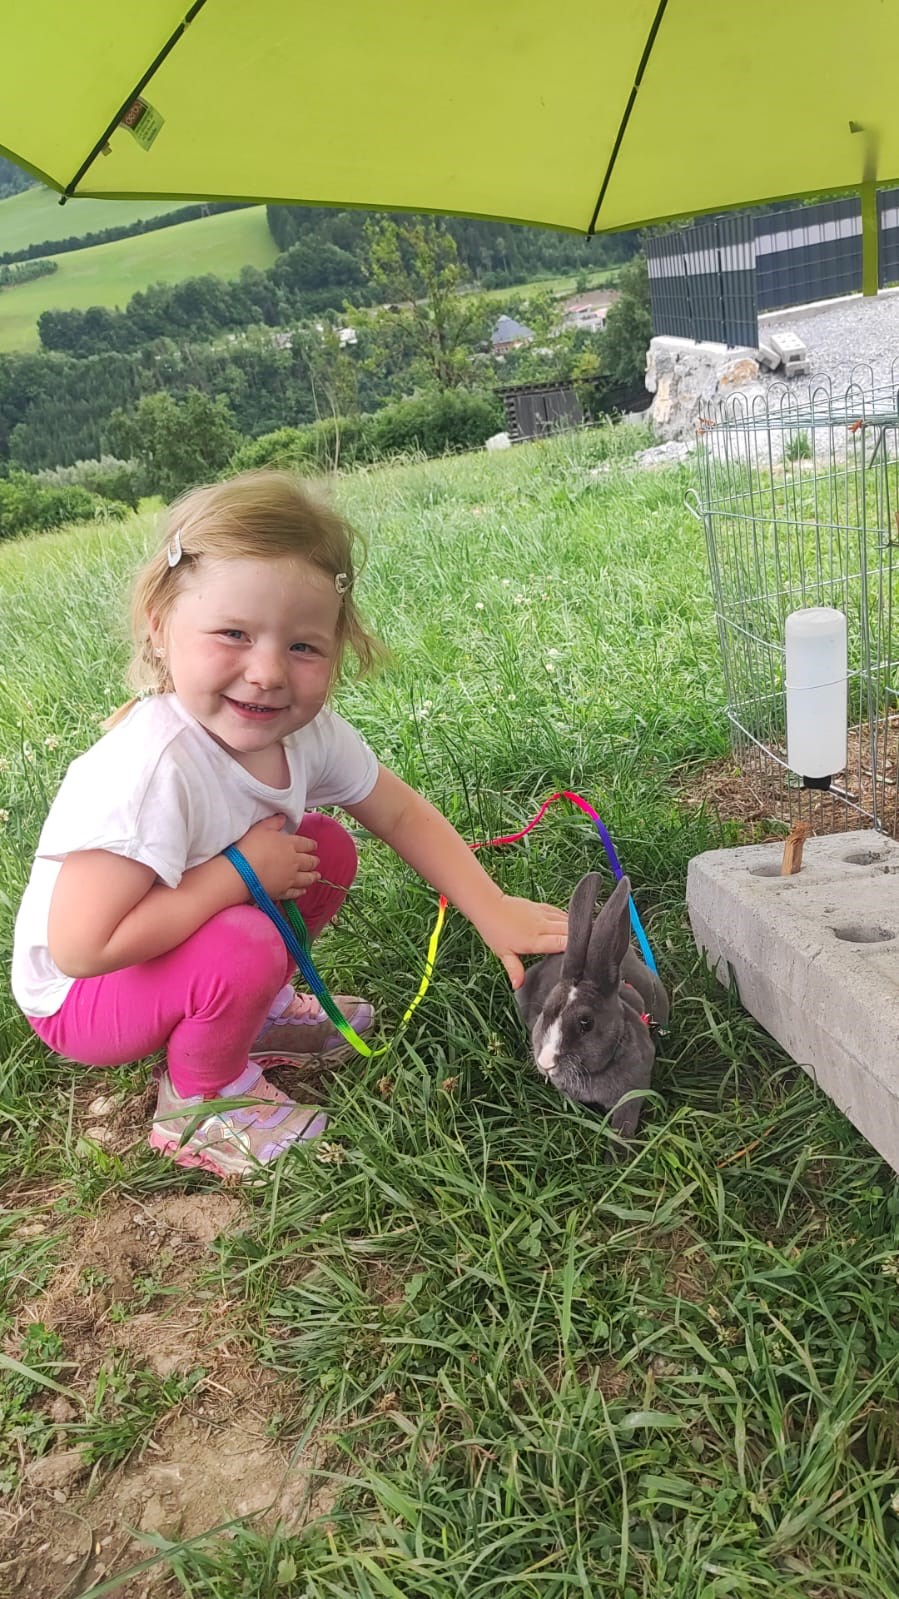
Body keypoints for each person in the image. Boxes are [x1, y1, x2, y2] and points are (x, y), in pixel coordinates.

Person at [12, 471, 568, 1180]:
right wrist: (238, 873)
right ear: (159, 625)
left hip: (168, 941)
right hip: (81, 998)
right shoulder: (150, 771)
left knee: (323, 848)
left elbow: (398, 810)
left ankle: (251, 1014)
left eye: (304, 646)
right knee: (245, 934)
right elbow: (82, 947)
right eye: (233, 634)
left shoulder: (306, 734)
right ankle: (202, 1101)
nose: (268, 672)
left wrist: (491, 907)